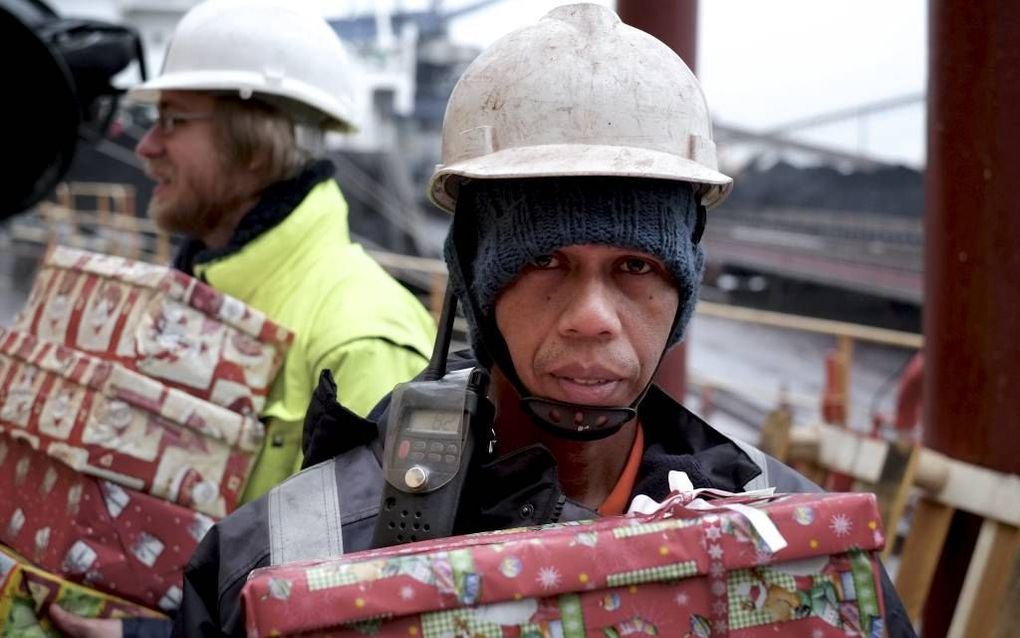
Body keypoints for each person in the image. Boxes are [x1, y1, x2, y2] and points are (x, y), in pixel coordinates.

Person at [172, 5, 917, 637]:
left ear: (683, 287)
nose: (592, 319)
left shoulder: (800, 546)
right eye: (544, 264)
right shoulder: (274, 560)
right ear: (472, 276)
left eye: (638, 269)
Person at [49, 1, 435, 636]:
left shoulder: (362, 339)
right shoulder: (198, 291)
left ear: (253, 145)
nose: (146, 147)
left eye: (172, 121)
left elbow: (353, 609)